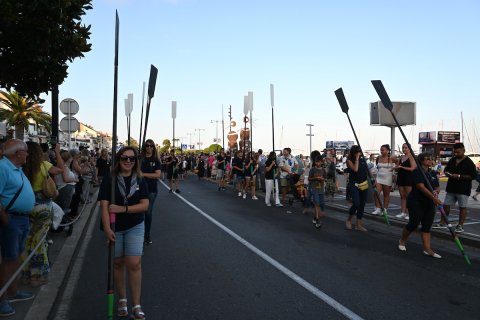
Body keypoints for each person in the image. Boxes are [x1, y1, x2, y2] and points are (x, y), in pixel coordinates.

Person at [99, 146, 149, 319]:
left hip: (135, 225)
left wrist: (122, 209)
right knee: (118, 263)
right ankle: (122, 300)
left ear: (136, 161)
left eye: (132, 159)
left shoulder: (140, 180)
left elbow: (145, 205)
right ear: (118, 159)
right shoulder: (109, 179)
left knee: (134, 263)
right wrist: (106, 229)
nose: (128, 161)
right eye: (124, 158)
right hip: (115, 228)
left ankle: (136, 304)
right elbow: (104, 206)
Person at [0, 139, 36, 317]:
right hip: (12, 220)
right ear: (17, 153)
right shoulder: (3, 168)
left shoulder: (16, 168)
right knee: (9, 259)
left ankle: (13, 292)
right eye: (26, 151)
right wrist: (6, 220)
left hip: (21, 219)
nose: (27, 154)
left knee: (15, 258)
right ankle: (2, 298)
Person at [21, 142, 63, 287]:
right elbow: (61, 170)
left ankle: (25, 274)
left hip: (26, 207)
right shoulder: (44, 165)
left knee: (27, 240)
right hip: (43, 208)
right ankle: (37, 275)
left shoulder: (22, 167)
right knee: (39, 242)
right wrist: (57, 152)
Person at [398, 153, 442, 258]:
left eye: (431, 158)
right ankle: (402, 240)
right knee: (413, 223)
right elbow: (420, 187)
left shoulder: (433, 173)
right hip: (416, 202)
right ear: (421, 160)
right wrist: (433, 197)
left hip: (429, 203)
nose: (430, 160)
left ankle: (427, 249)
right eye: (428, 159)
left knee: (427, 226)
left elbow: (437, 186)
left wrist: (436, 192)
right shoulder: (417, 172)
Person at [433, 143, 477, 233]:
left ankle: (460, 225)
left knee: (462, 207)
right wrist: (447, 173)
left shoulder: (469, 162)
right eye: (455, 152)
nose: (456, 154)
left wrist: (459, 176)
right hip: (451, 188)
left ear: (463, 150)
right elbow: (446, 170)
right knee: (446, 206)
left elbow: (473, 176)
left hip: (463, 189)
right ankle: (442, 222)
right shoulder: (452, 160)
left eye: (458, 152)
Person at [140, 139, 161, 245]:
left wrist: (143, 174)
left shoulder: (156, 160)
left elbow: (158, 175)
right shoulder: (140, 159)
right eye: (147, 146)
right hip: (138, 189)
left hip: (151, 190)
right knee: (139, 212)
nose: (149, 147)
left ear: (153, 147)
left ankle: (147, 235)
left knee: (147, 213)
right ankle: (138, 233)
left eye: (151, 146)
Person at [345, 145, 368, 232]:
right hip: (354, 183)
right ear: (353, 152)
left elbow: (366, 171)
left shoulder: (363, 160)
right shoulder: (349, 160)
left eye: (359, 152)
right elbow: (355, 169)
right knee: (356, 203)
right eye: (357, 152)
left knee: (362, 204)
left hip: (363, 183)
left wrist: (372, 179)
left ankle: (358, 224)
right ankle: (349, 219)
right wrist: (357, 158)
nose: (358, 153)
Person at [372, 144, 396, 215]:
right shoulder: (378, 157)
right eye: (381, 150)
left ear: (388, 151)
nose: (381, 151)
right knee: (376, 193)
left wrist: (394, 168)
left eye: (383, 150)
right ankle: (378, 208)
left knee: (386, 194)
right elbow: (377, 168)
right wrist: (375, 178)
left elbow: (398, 162)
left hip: (387, 178)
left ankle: (385, 210)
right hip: (379, 177)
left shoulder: (392, 158)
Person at [394, 143, 417, 220]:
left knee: (409, 197)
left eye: (405, 148)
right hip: (401, 177)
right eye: (403, 148)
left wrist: (402, 167)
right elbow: (397, 167)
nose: (404, 149)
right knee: (402, 196)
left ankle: (411, 213)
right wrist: (395, 167)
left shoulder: (411, 157)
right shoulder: (401, 157)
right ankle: (403, 212)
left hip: (408, 178)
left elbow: (413, 168)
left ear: (409, 148)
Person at [308, 155, 326, 228]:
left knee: (321, 203)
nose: (318, 163)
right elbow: (309, 179)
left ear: (322, 162)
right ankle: (318, 219)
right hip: (314, 188)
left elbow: (326, 178)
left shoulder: (323, 170)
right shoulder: (312, 169)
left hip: (321, 189)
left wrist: (322, 179)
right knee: (316, 203)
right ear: (315, 162)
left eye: (319, 162)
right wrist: (315, 178)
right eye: (316, 162)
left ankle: (315, 217)